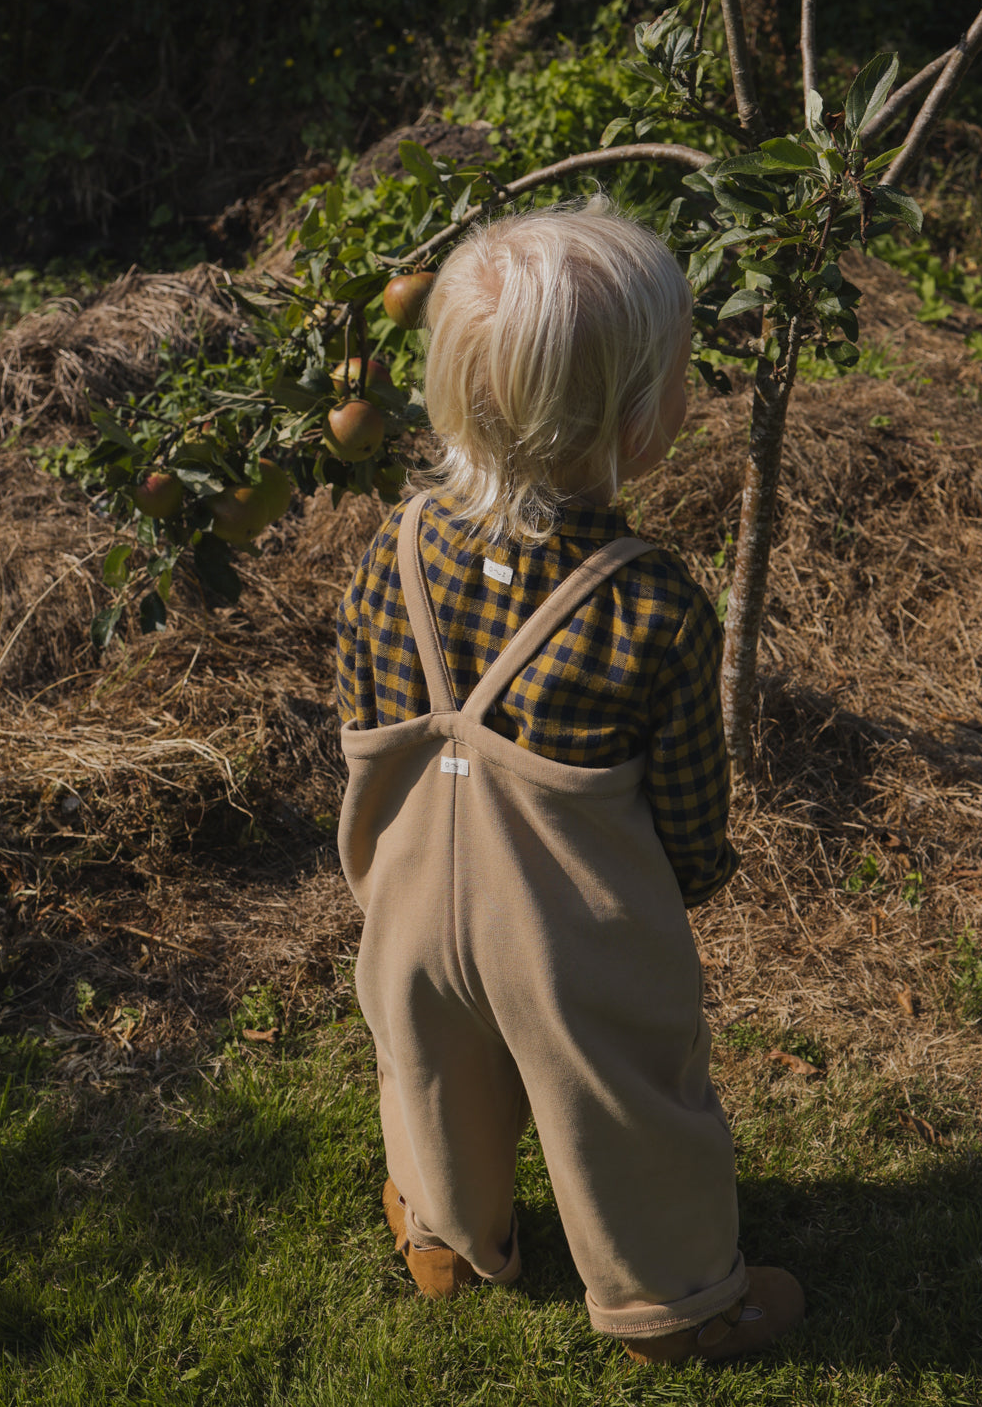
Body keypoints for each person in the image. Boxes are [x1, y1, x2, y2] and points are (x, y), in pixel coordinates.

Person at [334, 201, 803, 1364]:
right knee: (627, 1104)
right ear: (636, 420)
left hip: (404, 906)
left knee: (431, 1067)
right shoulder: (649, 605)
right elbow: (691, 812)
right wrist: (682, 884)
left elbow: (361, 718)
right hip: (570, 938)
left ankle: (445, 1234)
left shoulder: (391, 554)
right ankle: (676, 1302)